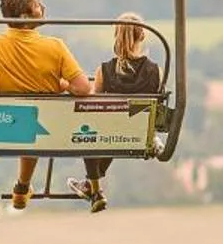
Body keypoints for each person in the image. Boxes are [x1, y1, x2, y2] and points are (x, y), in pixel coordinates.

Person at [0, 0, 93, 227]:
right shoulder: (55, 46)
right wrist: (61, 84)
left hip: (7, 123)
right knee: (34, 123)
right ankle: (22, 188)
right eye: (37, 4)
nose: (42, 7)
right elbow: (82, 88)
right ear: (25, 16)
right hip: (42, 130)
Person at [68, 12, 161, 213]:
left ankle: (95, 190)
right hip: (138, 136)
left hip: (110, 135)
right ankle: (90, 188)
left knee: (91, 129)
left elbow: (93, 109)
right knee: (113, 128)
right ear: (142, 35)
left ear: (116, 36)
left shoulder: (104, 71)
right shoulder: (155, 71)